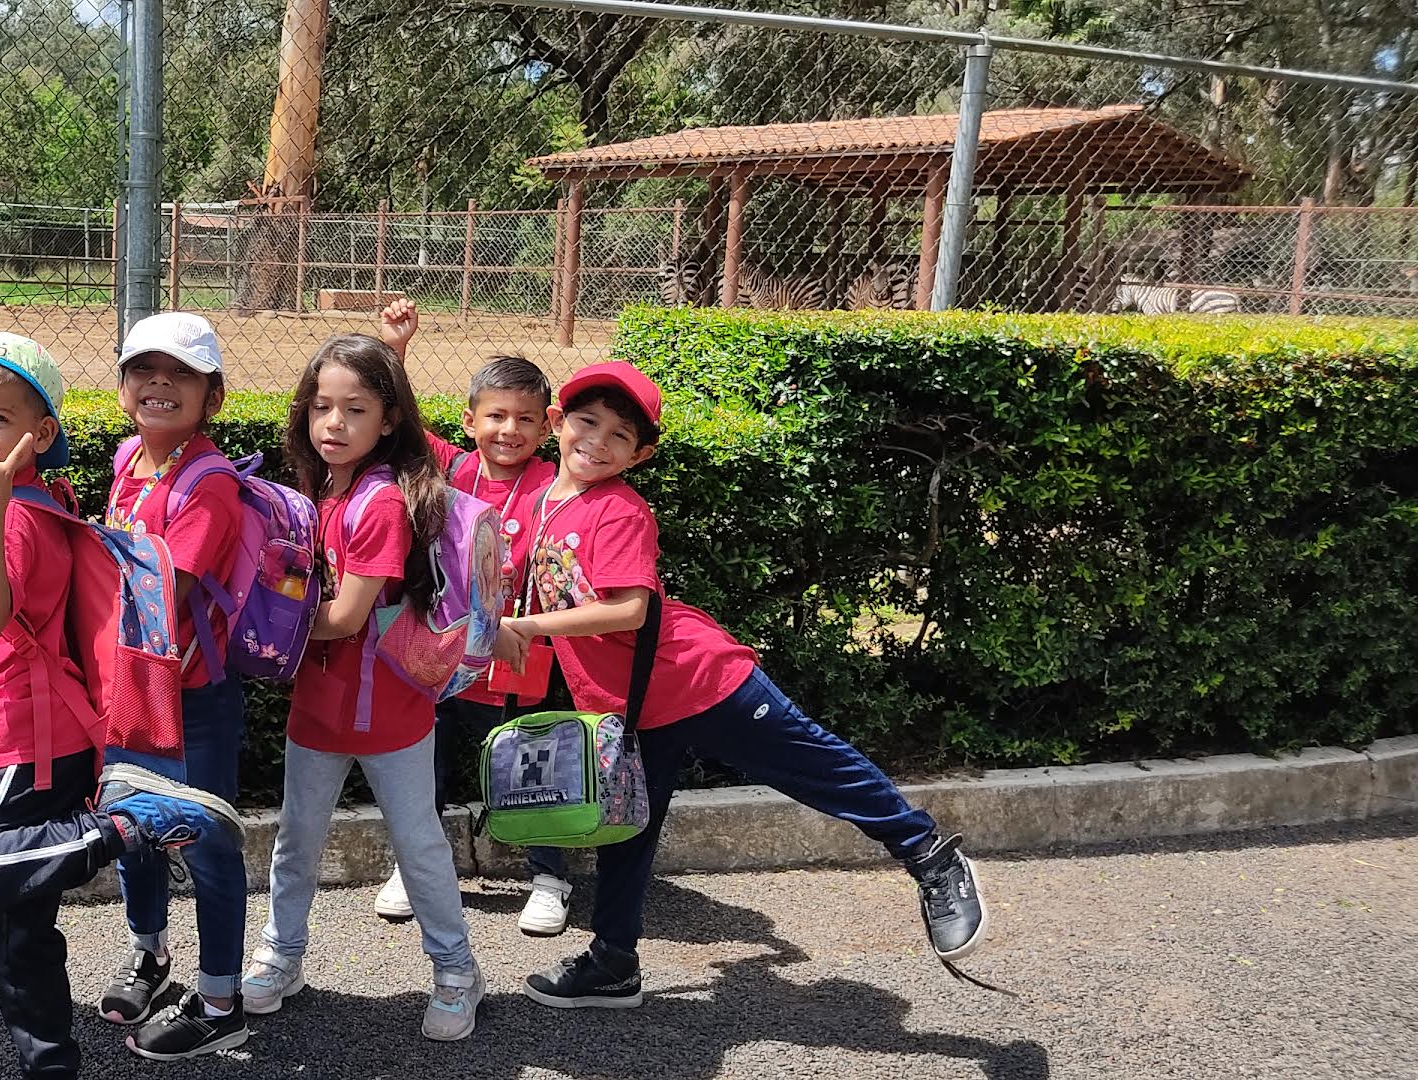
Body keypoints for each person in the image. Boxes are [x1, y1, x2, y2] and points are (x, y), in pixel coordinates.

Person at [497, 360, 989, 1012]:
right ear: (559, 422)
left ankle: (929, 854)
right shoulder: (539, 502)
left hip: (699, 679)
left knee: (814, 767)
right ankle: (612, 963)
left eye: (620, 436)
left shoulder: (618, 510)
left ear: (640, 455)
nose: (598, 442)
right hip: (631, 707)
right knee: (626, 831)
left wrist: (527, 626)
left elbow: (629, 610)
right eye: (587, 422)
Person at [0, 332, 246, 1080]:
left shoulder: (12, 515)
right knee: (14, 925)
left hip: (20, 742)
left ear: (40, 434)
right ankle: (51, 1064)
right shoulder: (51, 494)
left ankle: (130, 828)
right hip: (18, 733)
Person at [239, 333, 485, 1042]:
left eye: (355, 409)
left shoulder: (377, 503)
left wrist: (251, 629)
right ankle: (282, 956)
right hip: (322, 705)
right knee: (297, 840)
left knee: (417, 845)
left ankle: (457, 971)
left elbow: (346, 617)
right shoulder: (323, 488)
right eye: (322, 406)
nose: (334, 423)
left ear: (388, 419)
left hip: (389, 708)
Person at [371, 300, 577, 937]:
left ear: (548, 425)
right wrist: (396, 350)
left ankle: (550, 877)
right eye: (495, 416)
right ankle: (416, 866)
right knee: (424, 765)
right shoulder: (452, 468)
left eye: (525, 418)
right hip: (441, 654)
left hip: (516, 657)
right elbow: (401, 425)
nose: (508, 430)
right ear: (469, 421)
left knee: (529, 764)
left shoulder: (556, 483)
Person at [87, 313, 255, 1060]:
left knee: (208, 844)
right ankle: (149, 954)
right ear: (124, 386)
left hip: (192, 695)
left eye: (181, 374)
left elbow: (162, 590)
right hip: (132, 684)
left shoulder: (210, 482)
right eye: (144, 370)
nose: (159, 384)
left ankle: (220, 1000)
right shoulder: (130, 458)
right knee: (134, 829)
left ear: (211, 397)